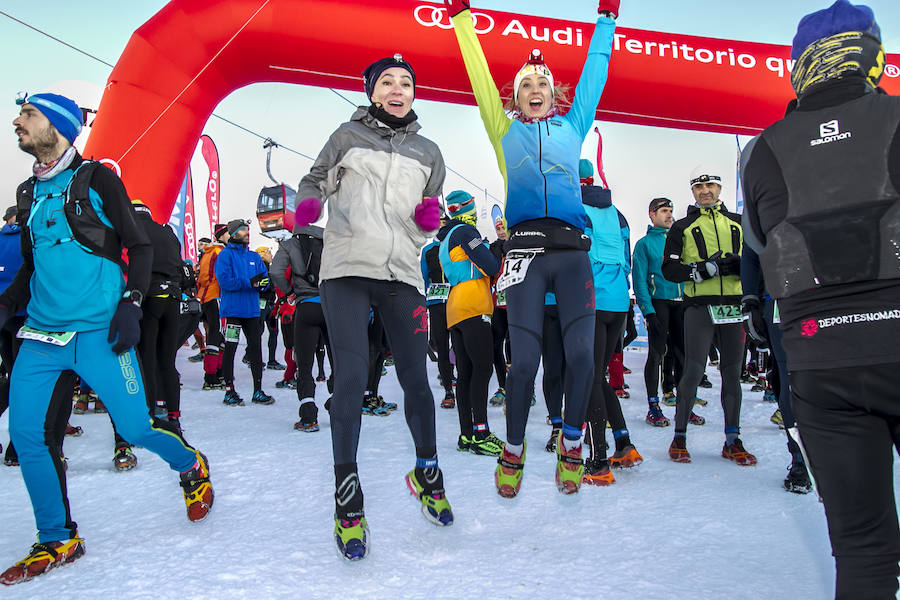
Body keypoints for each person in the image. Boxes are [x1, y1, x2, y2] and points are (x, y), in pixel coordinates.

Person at [0, 92, 212, 584]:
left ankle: (191, 465)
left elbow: (137, 245)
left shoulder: (98, 179)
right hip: (42, 335)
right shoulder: (27, 194)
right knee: (29, 436)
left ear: (60, 126)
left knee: (137, 429)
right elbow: (32, 265)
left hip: (100, 331)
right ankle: (58, 537)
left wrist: (132, 304)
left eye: (28, 115)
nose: (17, 121)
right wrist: (8, 305)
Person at [742, 2, 899, 596]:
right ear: (870, 55)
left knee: (862, 550)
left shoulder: (760, 150)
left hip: (820, 360)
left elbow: (757, 242)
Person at [446, 0, 620, 497]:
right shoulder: (505, 132)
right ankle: (514, 448)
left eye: (543, 84)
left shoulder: (572, 125)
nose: (536, 90)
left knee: (584, 358)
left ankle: (571, 442)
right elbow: (480, 81)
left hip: (570, 254)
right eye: (527, 85)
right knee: (522, 363)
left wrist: (605, 19)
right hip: (523, 252)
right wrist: (462, 19)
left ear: (555, 94)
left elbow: (596, 71)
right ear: (516, 98)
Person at [295, 53, 452, 559]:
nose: (397, 88)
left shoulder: (429, 151)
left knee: (416, 380)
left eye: (406, 82)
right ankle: (348, 498)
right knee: (350, 379)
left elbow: (431, 211)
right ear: (371, 91)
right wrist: (307, 207)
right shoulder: (346, 136)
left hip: (401, 274)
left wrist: (431, 218)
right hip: (346, 270)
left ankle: (427, 471)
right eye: (387, 81)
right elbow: (313, 180)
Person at [662, 165, 754, 466]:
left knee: (732, 373)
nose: (706, 192)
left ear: (720, 189)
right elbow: (669, 270)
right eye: (699, 188)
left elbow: (758, 263)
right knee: (692, 369)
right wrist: (699, 271)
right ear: (693, 192)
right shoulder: (681, 227)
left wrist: (740, 265)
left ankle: (732, 439)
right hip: (699, 307)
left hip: (733, 307)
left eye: (711, 186)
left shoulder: (740, 223)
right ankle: (679, 436)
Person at [579, 159, 642, 486]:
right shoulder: (618, 215)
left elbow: (575, 260)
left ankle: (599, 461)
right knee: (598, 375)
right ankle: (624, 443)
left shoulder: (576, 211)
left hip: (590, 302)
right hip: (618, 302)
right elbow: (627, 261)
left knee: (589, 378)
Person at [436, 190, 503, 456]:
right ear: (467, 208)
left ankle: (467, 434)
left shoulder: (445, 238)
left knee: (464, 374)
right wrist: (492, 250)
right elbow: (490, 265)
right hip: (474, 304)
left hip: (455, 306)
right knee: (483, 369)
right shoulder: (465, 232)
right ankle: (481, 431)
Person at [632, 197, 684, 427]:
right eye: (664, 211)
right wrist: (648, 311)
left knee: (683, 355)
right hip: (659, 303)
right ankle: (653, 406)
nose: (669, 215)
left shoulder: (681, 240)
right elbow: (639, 280)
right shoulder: (644, 244)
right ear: (652, 215)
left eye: (671, 210)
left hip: (682, 302)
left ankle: (684, 405)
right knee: (656, 354)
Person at [270, 224, 328, 431]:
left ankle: (308, 415)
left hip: (306, 306)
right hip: (331, 306)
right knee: (338, 358)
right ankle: (338, 403)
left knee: (304, 363)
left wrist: (288, 293)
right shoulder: (330, 240)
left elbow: (275, 272)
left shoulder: (289, 244)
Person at [214, 219, 274, 406]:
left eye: (248, 230)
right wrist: (249, 282)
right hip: (232, 311)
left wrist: (264, 285)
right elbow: (225, 282)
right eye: (243, 230)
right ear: (233, 234)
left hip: (252, 311)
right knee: (230, 348)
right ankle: (229, 391)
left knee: (255, 350)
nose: (247, 233)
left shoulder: (254, 257)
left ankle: (258, 390)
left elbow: (264, 280)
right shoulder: (224, 256)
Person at [421, 213, 456, 408]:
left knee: (459, 344)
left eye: (445, 224)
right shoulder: (428, 250)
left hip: (456, 301)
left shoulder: (455, 247)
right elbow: (424, 278)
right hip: (436, 303)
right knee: (441, 346)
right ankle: (449, 391)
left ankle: (457, 374)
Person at [0, 205, 25, 465]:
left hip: (2, 317)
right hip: (23, 315)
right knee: (20, 382)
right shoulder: (28, 238)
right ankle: (15, 447)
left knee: (10, 376)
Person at [196, 224, 227, 390]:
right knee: (218, 336)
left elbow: (201, 278)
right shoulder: (219, 252)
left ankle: (215, 373)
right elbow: (222, 276)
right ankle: (212, 376)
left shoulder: (208, 253)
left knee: (214, 335)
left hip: (207, 297)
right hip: (217, 296)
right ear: (221, 235)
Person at [255, 246, 285, 370]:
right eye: (269, 252)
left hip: (269, 303)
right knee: (261, 332)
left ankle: (268, 360)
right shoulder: (260, 268)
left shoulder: (268, 268)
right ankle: (257, 358)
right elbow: (260, 285)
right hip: (264, 303)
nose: (271, 255)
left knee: (270, 332)